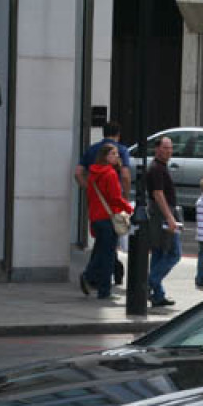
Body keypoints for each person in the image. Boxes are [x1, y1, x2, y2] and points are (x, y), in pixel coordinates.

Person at [74, 122, 131, 285]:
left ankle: (104, 273)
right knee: (107, 241)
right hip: (112, 205)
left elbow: (78, 173)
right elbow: (125, 175)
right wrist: (125, 199)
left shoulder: (92, 149)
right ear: (118, 134)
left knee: (102, 241)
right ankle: (98, 275)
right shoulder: (120, 150)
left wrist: (90, 189)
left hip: (95, 204)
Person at [146, 134, 180, 307]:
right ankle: (148, 283)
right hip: (162, 216)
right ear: (157, 149)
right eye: (165, 147)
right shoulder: (157, 169)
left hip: (163, 214)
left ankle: (157, 295)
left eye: (170, 147)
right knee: (174, 253)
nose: (169, 151)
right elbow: (158, 194)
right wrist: (170, 217)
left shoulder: (160, 167)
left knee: (159, 253)